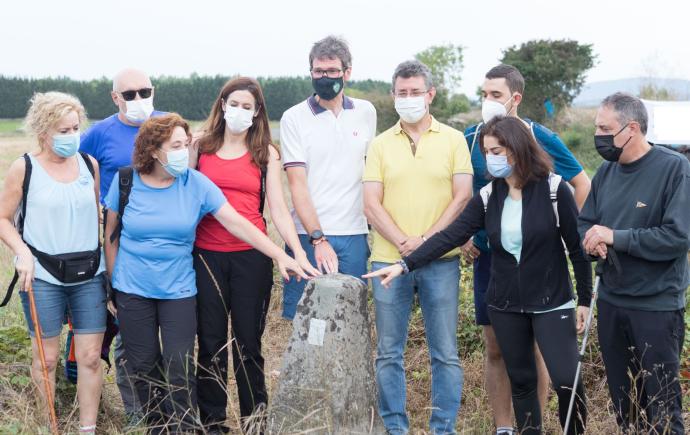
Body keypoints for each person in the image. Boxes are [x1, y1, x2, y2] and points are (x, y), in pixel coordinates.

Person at [366, 116, 592, 435]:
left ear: (518, 148)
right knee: (523, 380)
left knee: (568, 379)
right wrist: (404, 265)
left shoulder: (554, 190)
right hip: (506, 305)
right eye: (487, 152)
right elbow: (450, 235)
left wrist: (584, 299)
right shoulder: (488, 196)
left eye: (498, 150)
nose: (491, 158)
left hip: (551, 302)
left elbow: (577, 249)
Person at [103, 113, 313, 434]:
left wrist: (278, 254)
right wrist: (114, 287)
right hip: (133, 291)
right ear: (153, 149)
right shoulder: (126, 181)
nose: (184, 152)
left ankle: (185, 428)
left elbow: (237, 222)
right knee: (143, 365)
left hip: (179, 292)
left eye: (186, 144)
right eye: (175, 146)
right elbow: (111, 236)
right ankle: (159, 427)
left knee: (179, 366)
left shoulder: (196, 183)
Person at [462, 64, 591, 435]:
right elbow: (466, 198)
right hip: (492, 262)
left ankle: (544, 422)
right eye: (484, 94)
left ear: (515, 98)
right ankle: (506, 428)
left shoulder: (540, 136)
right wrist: (471, 238)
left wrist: (559, 232)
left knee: (540, 350)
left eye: (496, 95)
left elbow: (581, 184)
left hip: (537, 261)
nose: (488, 102)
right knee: (499, 350)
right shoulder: (472, 138)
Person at [190, 77, 319, 434]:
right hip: (206, 257)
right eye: (234, 104)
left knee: (248, 343)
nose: (240, 111)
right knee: (211, 344)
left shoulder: (266, 153)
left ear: (257, 111)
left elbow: (278, 208)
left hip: (252, 257)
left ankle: (255, 423)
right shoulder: (201, 146)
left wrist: (294, 252)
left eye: (248, 106)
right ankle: (212, 423)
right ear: (222, 104)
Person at [362, 60, 473, 434]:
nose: (408, 99)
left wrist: (425, 244)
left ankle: (443, 428)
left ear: (430, 94)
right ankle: (396, 427)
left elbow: (462, 198)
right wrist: (404, 243)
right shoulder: (379, 145)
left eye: (415, 92)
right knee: (389, 352)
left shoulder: (455, 140)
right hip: (387, 259)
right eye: (401, 93)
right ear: (393, 96)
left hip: (441, 260)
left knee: (445, 353)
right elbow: (371, 203)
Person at [579, 93, 689, 434]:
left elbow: (677, 237)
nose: (598, 135)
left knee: (661, 404)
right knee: (624, 404)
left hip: (655, 306)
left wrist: (615, 237)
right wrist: (590, 241)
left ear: (632, 128)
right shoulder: (606, 172)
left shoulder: (675, 168)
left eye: (604, 128)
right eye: (596, 126)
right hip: (612, 303)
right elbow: (587, 221)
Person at [0, 92, 106, 435]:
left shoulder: (89, 165)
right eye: (64, 129)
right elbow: (2, 218)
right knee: (45, 360)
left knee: (90, 357)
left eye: (76, 127)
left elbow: (97, 216)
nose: (72, 135)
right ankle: (50, 425)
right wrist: (23, 253)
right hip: (42, 276)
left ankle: (87, 428)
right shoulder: (24, 167)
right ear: (44, 131)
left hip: (90, 275)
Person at [79, 67, 163, 425]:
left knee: (168, 330)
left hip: (165, 244)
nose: (138, 100)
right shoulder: (97, 135)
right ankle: (135, 414)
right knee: (128, 331)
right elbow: (74, 171)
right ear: (115, 98)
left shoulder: (166, 127)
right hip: (118, 243)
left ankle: (167, 406)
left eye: (144, 91)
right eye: (128, 94)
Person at [280, 35, 377, 319]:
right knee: (309, 320)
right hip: (310, 234)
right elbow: (297, 184)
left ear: (347, 72)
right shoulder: (293, 117)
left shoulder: (365, 112)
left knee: (349, 317)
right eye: (318, 71)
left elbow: (371, 171)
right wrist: (317, 239)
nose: (324, 77)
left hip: (354, 232)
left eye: (332, 71)